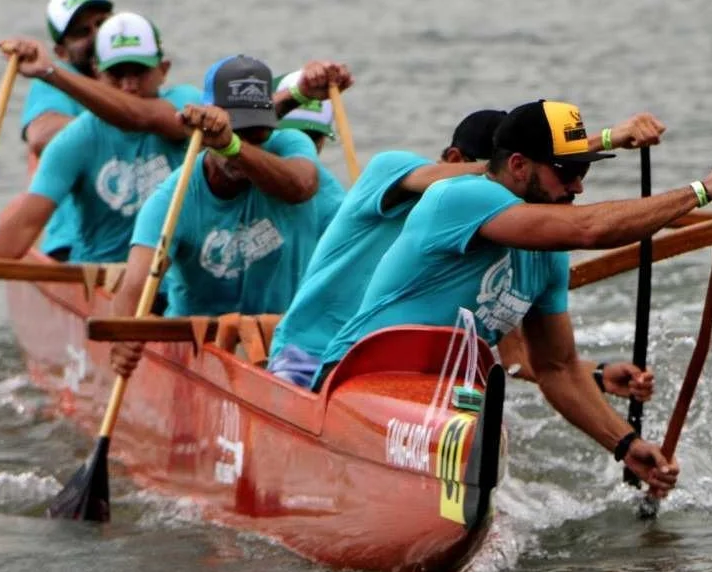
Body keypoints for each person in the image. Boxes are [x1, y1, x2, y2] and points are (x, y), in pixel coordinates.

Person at [311, 99, 712, 495]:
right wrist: (703, 191)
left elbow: (557, 368)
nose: (578, 187)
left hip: (440, 404)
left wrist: (625, 444)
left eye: (584, 171)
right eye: (566, 172)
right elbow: (590, 229)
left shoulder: (547, 256)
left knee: (482, 418)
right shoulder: (460, 197)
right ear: (519, 166)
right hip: (358, 380)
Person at [265, 109, 666, 390]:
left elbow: (514, 359)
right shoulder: (395, 171)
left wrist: (596, 373)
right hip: (308, 353)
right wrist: (604, 139)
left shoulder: (488, 235)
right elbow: (497, 175)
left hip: (394, 369)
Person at [108, 55, 354, 377]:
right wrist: (123, 340)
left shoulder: (290, 144)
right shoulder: (172, 198)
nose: (243, 143)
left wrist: (232, 145)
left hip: (284, 347)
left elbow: (302, 186)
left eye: (257, 133)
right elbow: (135, 285)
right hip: (200, 347)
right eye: (235, 131)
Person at [0, 11, 201, 305]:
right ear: (96, 72)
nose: (129, 86)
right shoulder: (76, 140)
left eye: (138, 73)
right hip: (107, 285)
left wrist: (49, 71)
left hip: (177, 283)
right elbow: (26, 223)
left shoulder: (187, 105)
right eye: (116, 75)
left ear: (163, 70)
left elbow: (140, 116)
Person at [22, 0, 114, 259]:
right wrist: (129, 122)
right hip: (75, 246)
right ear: (61, 52)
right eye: (81, 33)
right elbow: (41, 136)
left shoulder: (142, 75)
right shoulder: (54, 83)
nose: (97, 36)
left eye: (102, 23)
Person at [273, 68, 346, 230]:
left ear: (323, 141)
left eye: (312, 137)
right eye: (290, 136)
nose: (302, 147)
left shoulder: (334, 207)